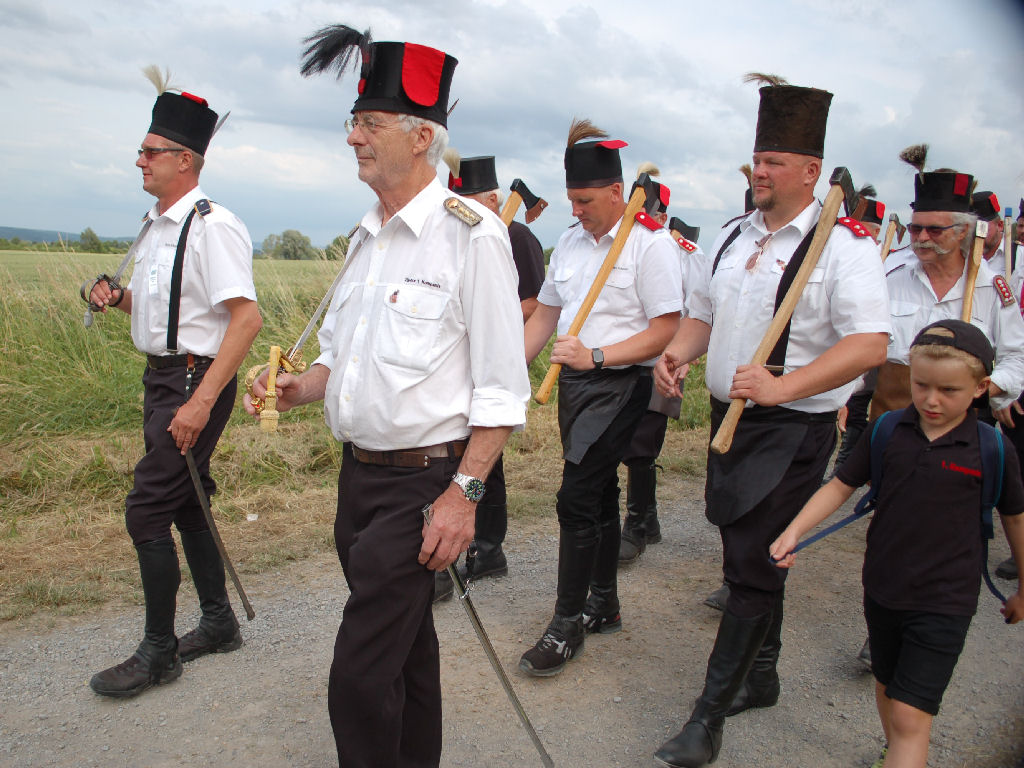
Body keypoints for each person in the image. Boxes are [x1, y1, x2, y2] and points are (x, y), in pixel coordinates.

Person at [247, 25, 529, 768]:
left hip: (424, 487)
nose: (353, 138)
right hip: (359, 482)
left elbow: (503, 391)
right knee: (407, 653)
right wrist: (296, 388)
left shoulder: (472, 237)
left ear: (422, 137)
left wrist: (464, 495)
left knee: (359, 677)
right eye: (355, 122)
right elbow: (339, 360)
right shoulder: (365, 237)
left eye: (370, 123)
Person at [652, 74, 890, 768]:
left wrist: (785, 386)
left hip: (793, 430)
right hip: (727, 422)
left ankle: (707, 718)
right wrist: (678, 353)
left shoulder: (843, 247)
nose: (759, 171)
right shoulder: (731, 236)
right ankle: (762, 677)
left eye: (774, 162)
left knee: (754, 562)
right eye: (757, 159)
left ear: (811, 171)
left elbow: (869, 344)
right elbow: (702, 314)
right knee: (744, 548)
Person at [771, 320, 1024, 768]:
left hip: (946, 600)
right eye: (921, 385)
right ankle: (897, 750)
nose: (931, 400)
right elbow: (841, 484)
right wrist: (794, 531)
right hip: (883, 589)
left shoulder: (992, 449)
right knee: (888, 686)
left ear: (981, 388)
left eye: (948, 390)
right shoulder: (888, 429)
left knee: (910, 715)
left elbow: (1015, 518)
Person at [86, 71, 262, 698]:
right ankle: (218, 623)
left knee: (146, 509)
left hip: (193, 381)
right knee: (186, 501)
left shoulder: (213, 226)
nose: (140, 159)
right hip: (163, 377)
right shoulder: (156, 225)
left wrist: (200, 401)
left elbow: (246, 319)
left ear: (184, 160)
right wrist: (119, 298)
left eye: (150, 151)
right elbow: (172, 313)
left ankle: (158, 652)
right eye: (141, 150)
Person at [518, 119, 682, 676]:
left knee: (576, 497)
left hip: (622, 385)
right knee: (600, 492)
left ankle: (566, 624)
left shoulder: (650, 245)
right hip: (575, 386)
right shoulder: (568, 242)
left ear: (617, 191)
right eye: (571, 199)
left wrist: (598, 355)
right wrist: (509, 369)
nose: (576, 210)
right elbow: (546, 314)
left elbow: (665, 328)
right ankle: (604, 603)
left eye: (585, 200)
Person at [433, 151, 545, 598]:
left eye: (470, 202)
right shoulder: (453, 235)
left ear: (493, 199)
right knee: (451, 456)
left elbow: (533, 303)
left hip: (498, 357)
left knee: (486, 459)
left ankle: (488, 547)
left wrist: (488, 319)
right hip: (455, 364)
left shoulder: (516, 236)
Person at [618, 169, 704, 565]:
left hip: (664, 359)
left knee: (642, 444)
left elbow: (698, 309)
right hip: (624, 359)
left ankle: (636, 525)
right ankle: (649, 519)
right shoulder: (622, 243)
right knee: (627, 443)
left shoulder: (683, 252)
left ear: (661, 214)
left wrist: (684, 356)